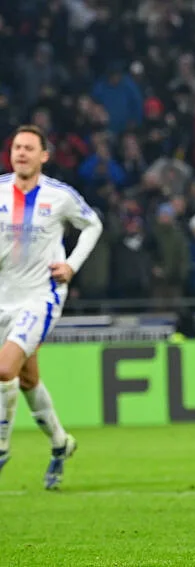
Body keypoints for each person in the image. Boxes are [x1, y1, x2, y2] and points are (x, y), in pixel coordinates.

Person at [0, 125, 103, 489]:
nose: (21, 153)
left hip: (41, 296)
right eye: (17, 147)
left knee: (4, 369)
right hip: (3, 297)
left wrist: (71, 265)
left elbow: (92, 225)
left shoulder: (60, 196)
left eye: (29, 148)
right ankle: (60, 443)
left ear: (44, 155)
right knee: (27, 378)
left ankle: (1, 447)